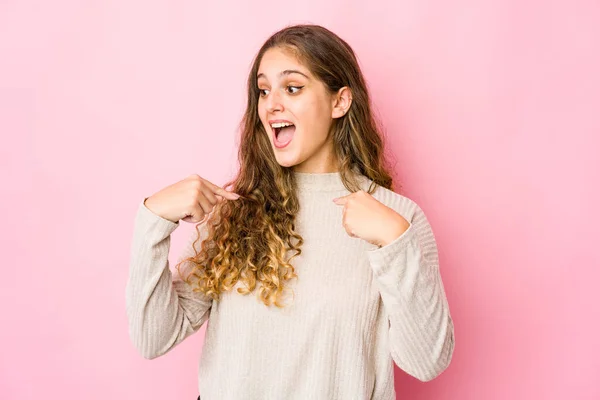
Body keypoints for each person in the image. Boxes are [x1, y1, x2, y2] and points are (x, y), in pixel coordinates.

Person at [126, 23, 455, 400]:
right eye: (263, 91)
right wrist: (153, 221)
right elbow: (154, 337)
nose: (271, 104)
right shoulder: (234, 212)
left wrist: (396, 243)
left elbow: (427, 362)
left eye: (292, 88)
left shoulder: (397, 220)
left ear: (340, 102)